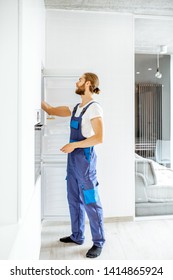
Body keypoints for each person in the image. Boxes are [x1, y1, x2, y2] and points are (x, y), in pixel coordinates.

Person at [41, 72, 105, 258]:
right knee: (73, 199)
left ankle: (98, 242)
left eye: (79, 79)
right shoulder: (76, 107)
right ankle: (77, 235)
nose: (76, 82)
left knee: (91, 201)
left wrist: (74, 145)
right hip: (72, 161)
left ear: (88, 83)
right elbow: (51, 110)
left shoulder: (94, 108)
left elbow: (99, 138)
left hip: (85, 161)